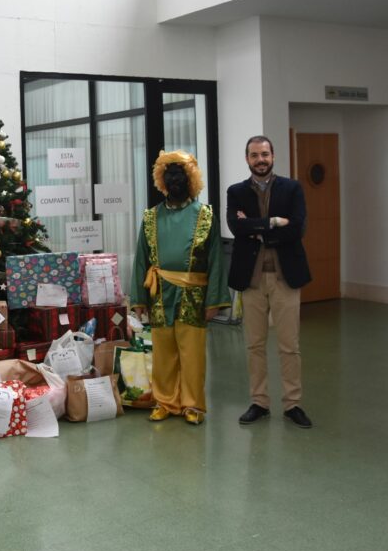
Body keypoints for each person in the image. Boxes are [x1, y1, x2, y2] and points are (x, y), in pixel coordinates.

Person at [131, 150, 229, 425]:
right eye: (169, 174)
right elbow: (141, 258)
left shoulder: (205, 215)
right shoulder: (150, 218)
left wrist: (214, 301)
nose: (174, 180)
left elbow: (216, 261)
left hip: (193, 295)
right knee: (163, 353)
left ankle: (192, 404)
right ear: (161, 180)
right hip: (160, 293)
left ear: (191, 179)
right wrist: (139, 298)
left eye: (180, 174)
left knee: (193, 354)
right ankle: (165, 402)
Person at [226, 136, 313, 429]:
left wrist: (257, 228)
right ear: (247, 159)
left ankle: (293, 404)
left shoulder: (292, 188)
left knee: (289, 345)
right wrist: (275, 222)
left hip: (285, 277)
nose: (260, 159)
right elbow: (235, 227)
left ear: (273, 156)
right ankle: (259, 402)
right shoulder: (236, 191)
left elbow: (298, 227)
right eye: (254, 155)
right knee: (254, 344)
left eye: (264, 154)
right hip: (251, 279)